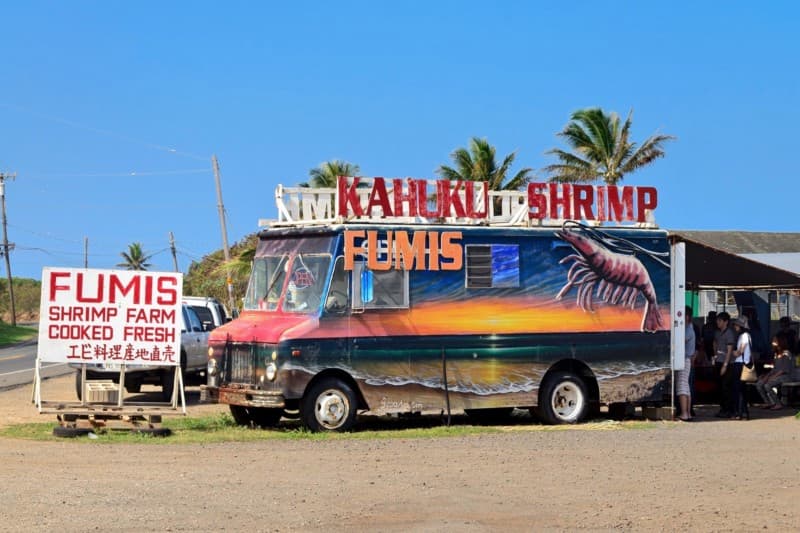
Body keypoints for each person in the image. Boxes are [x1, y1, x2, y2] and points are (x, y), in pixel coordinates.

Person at [755, 334, 795, 410]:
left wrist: (772, 377)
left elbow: (783, 370)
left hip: (786, 376)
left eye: (775, 341)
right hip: (777, 375)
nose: (772, 343)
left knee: (768, 385)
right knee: (759, 384)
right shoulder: (776, 354)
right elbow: (774, 369)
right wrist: (766, 376)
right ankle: (768, 402)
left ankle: (778, 403)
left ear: (780, 342)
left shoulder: (786, 354)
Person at [713, 312, 736, 418]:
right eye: (717, 320)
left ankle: (729, 410)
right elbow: (715, 342)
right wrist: (715, 354)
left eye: (720, 320)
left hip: (727, 363)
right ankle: (722, 408)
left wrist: (725, 365)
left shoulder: (729, 333)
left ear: (726, 322)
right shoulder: (718, 332)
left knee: (726, 387)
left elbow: (730, 350)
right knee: (719, 387)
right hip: (718, 360)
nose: (718, 322)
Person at [730, 315, 752, 420]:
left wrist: (734, 352)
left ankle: (740, 412)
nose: (735, 326)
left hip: (740, 364)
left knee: (738, 389)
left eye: (737, 325)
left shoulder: (744, 336)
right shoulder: (745, 336)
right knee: (741, 390)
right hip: (743, 364)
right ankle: (743, 412)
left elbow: (740, 352)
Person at [676, 306, 696, 421]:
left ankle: (684, 413)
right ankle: (687, 413)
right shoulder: (690, 328)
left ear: (687, 317)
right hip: (687, 359)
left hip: (685, 359)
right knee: (686, 387)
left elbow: (680, 342)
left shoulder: (688, 330)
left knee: (682, 386)